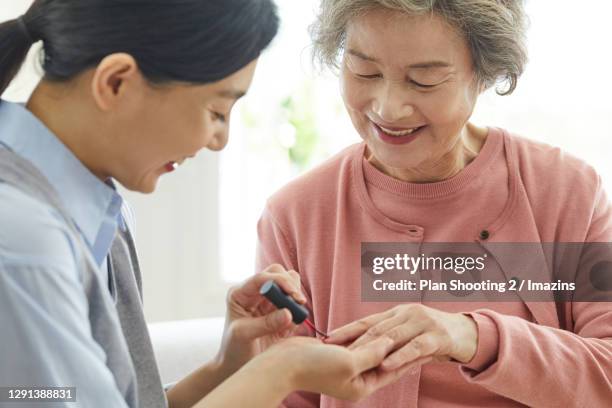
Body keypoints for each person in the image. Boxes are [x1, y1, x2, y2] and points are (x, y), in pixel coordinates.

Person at [0, 1, 413, 407]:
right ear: (115, 83)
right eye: (216, 111)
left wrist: (227, 367)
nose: (220, 140)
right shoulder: (24, 239)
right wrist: (280, 371)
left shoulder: (100, 211)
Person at [255, 0, 612, 407]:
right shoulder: (296, 215)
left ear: (484, 74)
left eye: (424, 81)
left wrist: (473, 337)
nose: (388, 108)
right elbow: (282, 396)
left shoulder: (567, 193)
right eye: (364, 72)